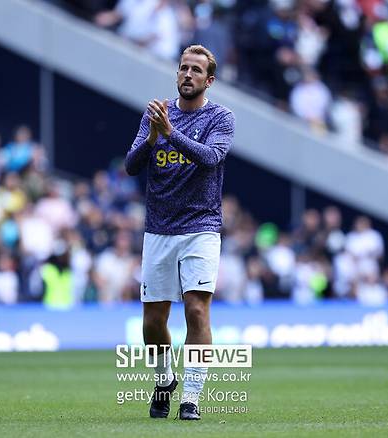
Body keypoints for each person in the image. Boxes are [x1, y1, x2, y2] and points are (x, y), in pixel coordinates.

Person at [124, 44, 235, 421]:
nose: (188, 74)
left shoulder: (221, 118)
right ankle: (164, 378)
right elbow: (131, 166)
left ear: (209, 80)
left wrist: (169, 133)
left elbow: (210, 158)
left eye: (196, 70)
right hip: (159, 229)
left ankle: (191, 397)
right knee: (153, 321)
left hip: (201, 227)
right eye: (183, 68)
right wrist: (154, 137)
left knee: (196, 309)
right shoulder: (155, 114)